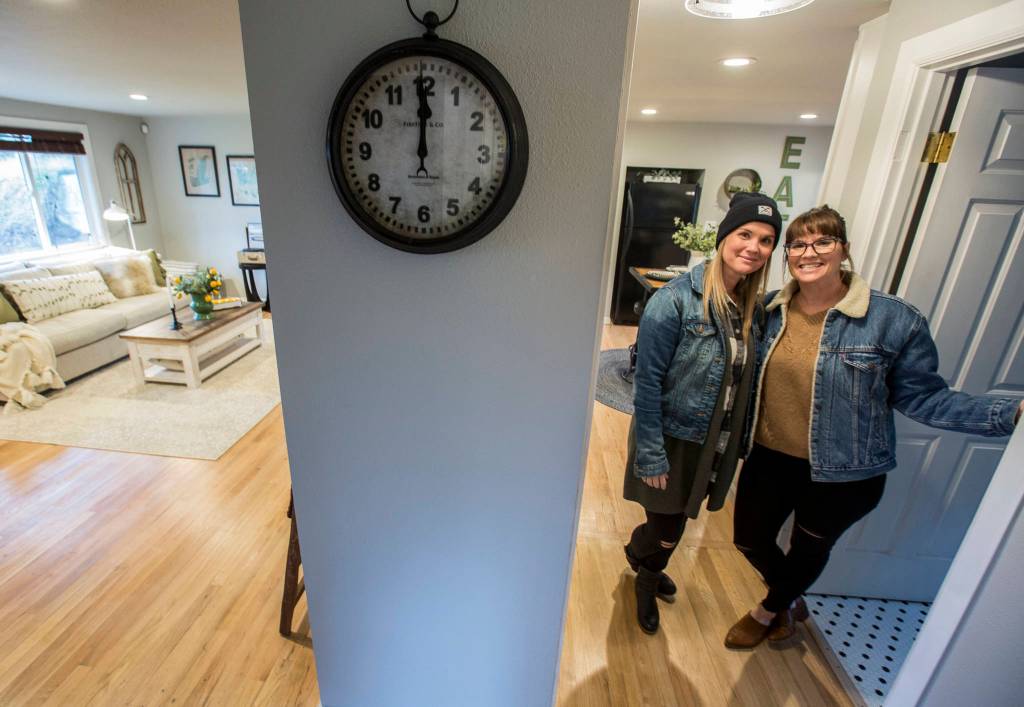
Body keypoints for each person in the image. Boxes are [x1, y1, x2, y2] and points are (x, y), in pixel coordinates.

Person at [725, 205, 1024, 649]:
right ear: (786, 255)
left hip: (846, 473)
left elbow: (922, 396)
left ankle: (770, 608)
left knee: (809, 550)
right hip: (771, 457)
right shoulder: (769, 311)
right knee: (749, 539)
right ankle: (788, 594)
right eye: (798, 244)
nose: (810, 252)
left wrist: (1008, 414)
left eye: (823, 241)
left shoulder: (893, 319)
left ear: (843, 249)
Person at [623, 192, 781, 634]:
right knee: (667, 528)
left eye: (766, 240)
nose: (753, 246)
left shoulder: (753, 309)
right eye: (745, 234)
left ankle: (646, 559)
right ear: (724, 236)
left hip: (717, 440)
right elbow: (647, 381)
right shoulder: (674, 301)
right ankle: (643, 571)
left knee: (680, 520)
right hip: (672, 439)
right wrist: (651, 454)